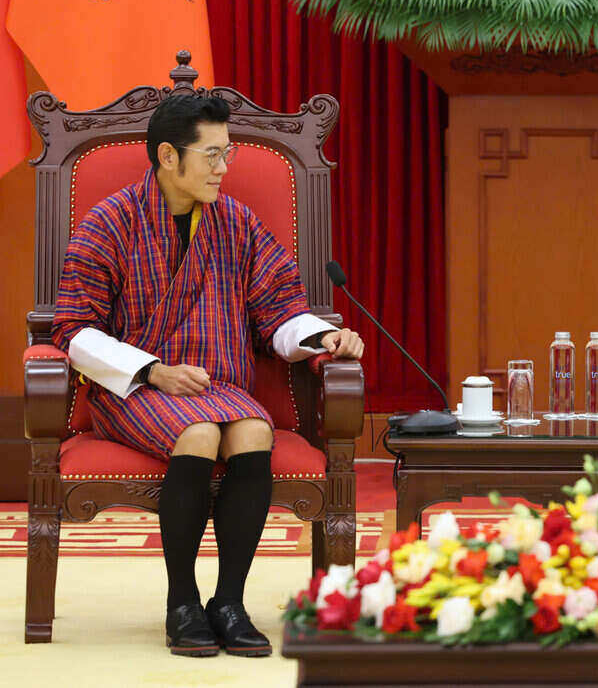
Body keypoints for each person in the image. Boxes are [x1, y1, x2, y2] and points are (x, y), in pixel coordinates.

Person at [52, 94, 364, 657]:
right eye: (213, 154)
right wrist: (153, 370)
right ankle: (182, 601)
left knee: (254, 431)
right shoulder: (110, 221)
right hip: (137, 386)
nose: (224, 167)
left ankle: (229, 601)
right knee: (198, 433)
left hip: (217, 385)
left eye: (229, 153)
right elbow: (74, 331)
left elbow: (281, 308)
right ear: (168, 156)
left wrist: (323, 337)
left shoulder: (237, 222)